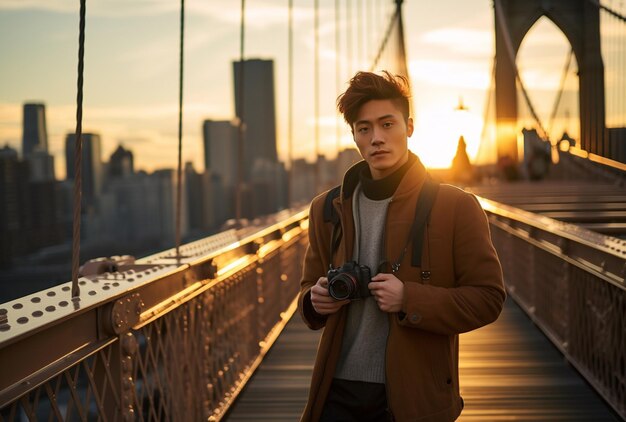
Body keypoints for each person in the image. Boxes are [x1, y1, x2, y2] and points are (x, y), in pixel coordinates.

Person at [298, 71, 506, 422]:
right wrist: (315, 300)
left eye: (387, 124)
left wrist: (409, 299)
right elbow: (309, 288)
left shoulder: (456, 207)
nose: (377, 138)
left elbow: (488, 298)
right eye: (364, 129)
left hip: (413, 397)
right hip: (335, 391)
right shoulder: (326, 209)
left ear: (409, 127)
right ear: (354, 136)